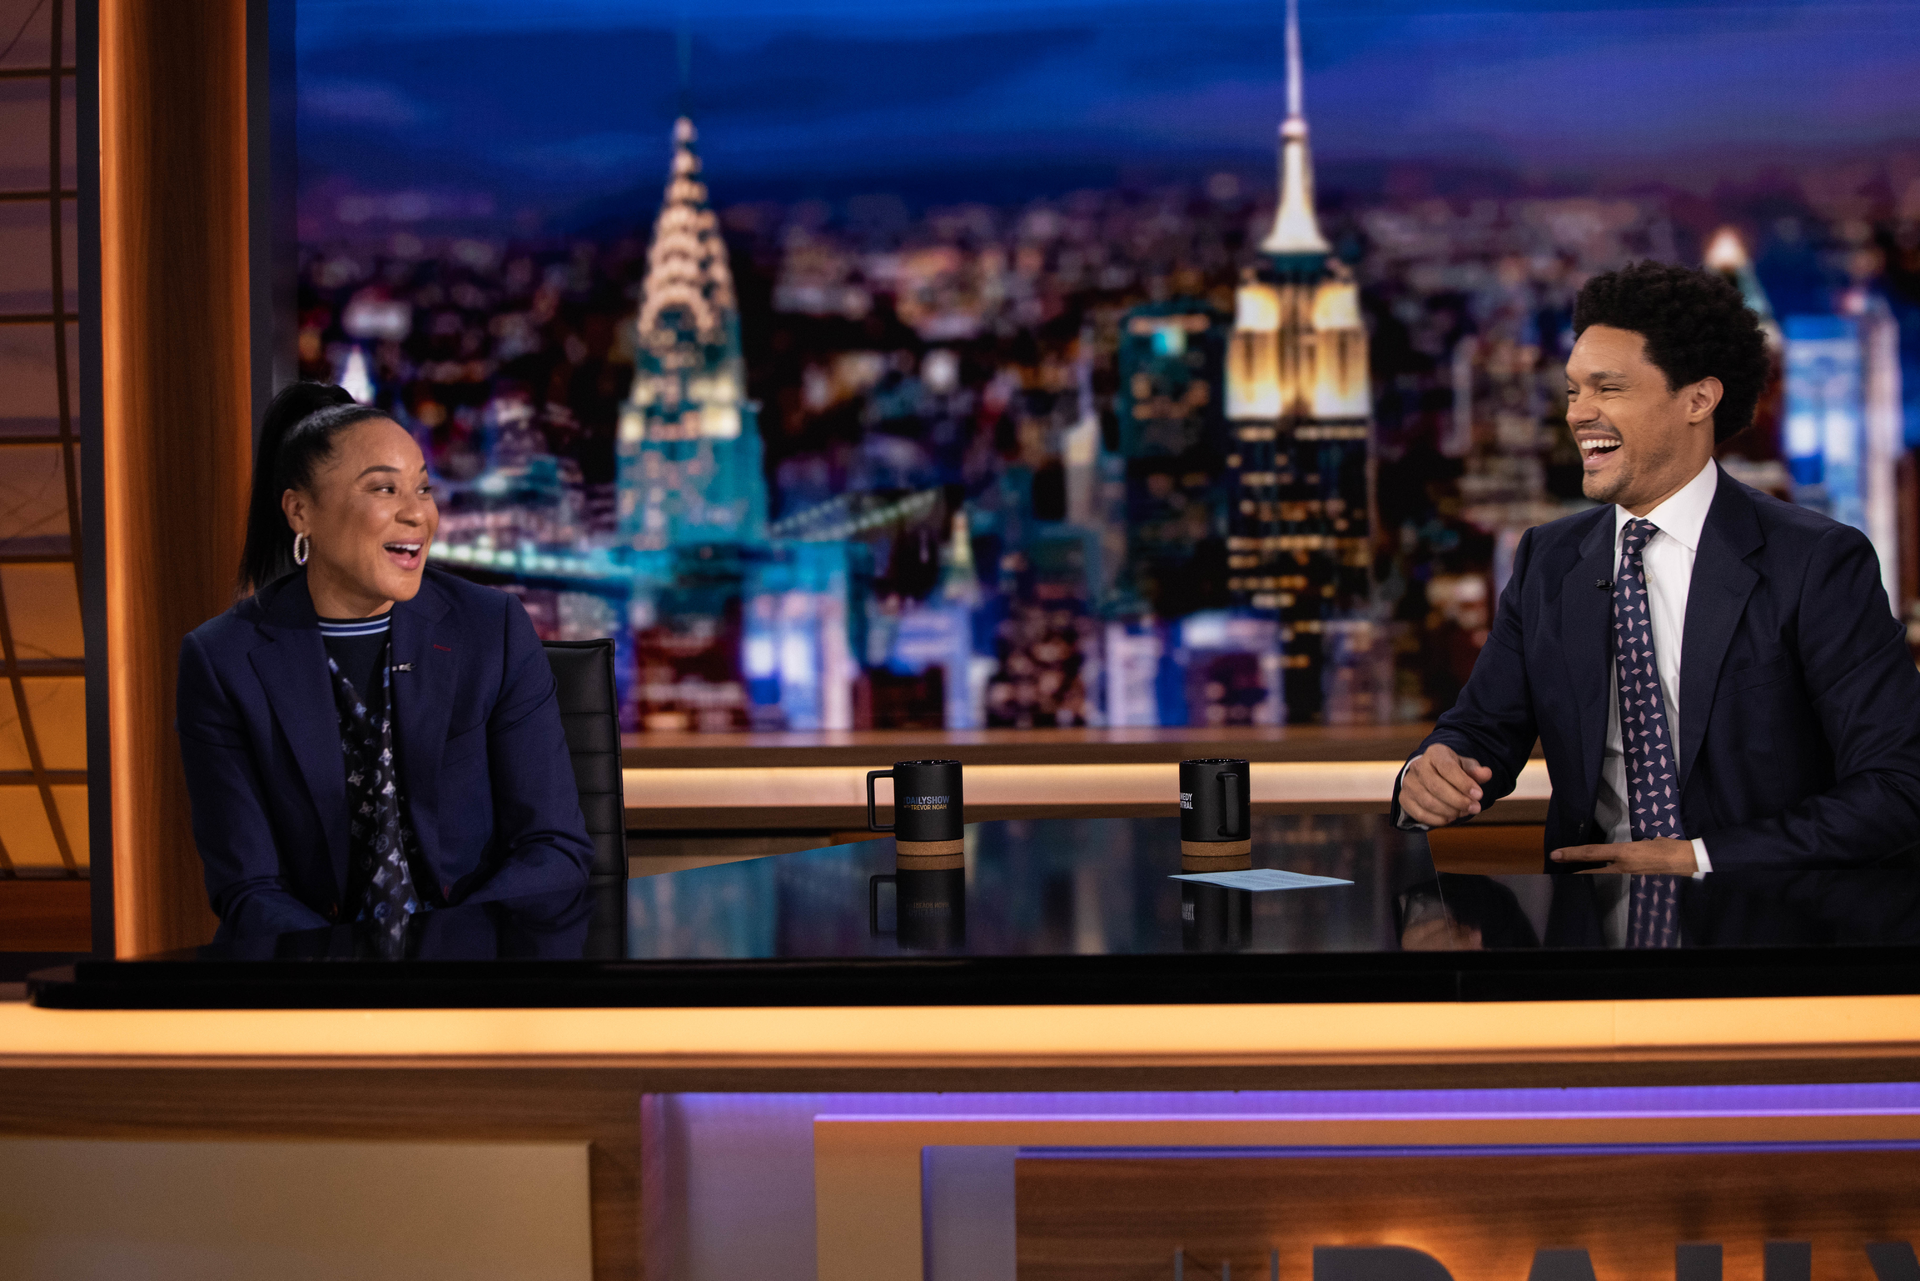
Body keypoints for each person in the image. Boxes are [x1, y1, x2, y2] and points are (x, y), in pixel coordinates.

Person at [1394, 261, 1920, 887]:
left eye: (1607, 389)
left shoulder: (1815, 562)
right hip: (1589, 926)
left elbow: (1900, 787)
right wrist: (1432, 772)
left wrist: (1699, 858)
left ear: (1698, 399)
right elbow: (1480, 731)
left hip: (1761, 924)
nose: (1577, 414)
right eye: (1572, 391)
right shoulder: (1547, 560)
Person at [177, 381, 594, 939]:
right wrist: (352, 976)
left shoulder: (490, 630)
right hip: (315, 989)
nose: (416, 514)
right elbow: (248, 888)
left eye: (422, 489)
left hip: (474, 974)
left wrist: (437, 960)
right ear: (300, 511)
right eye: (383, 490)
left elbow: (554, 849)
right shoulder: (223, 661)